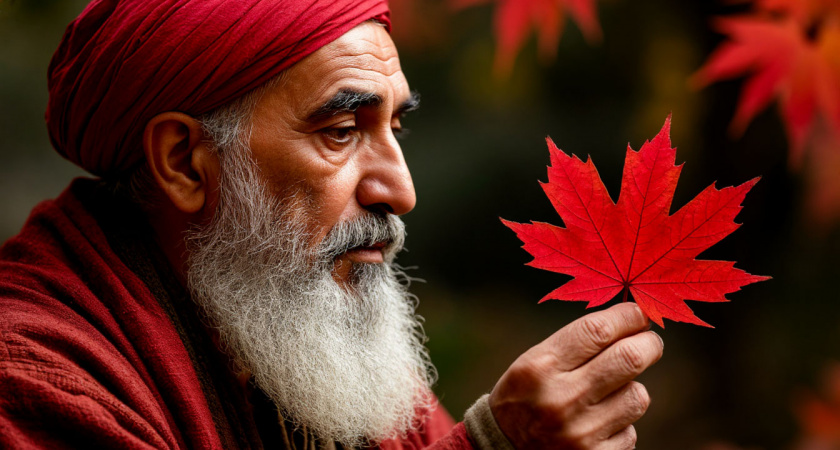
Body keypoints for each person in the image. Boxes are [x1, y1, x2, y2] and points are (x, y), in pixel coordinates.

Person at [0, 0, 664, 448]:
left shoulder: (300, 337)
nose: (400, 190)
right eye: (342, 131)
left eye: (395, 126)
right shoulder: (33, 381)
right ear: (183, 162)